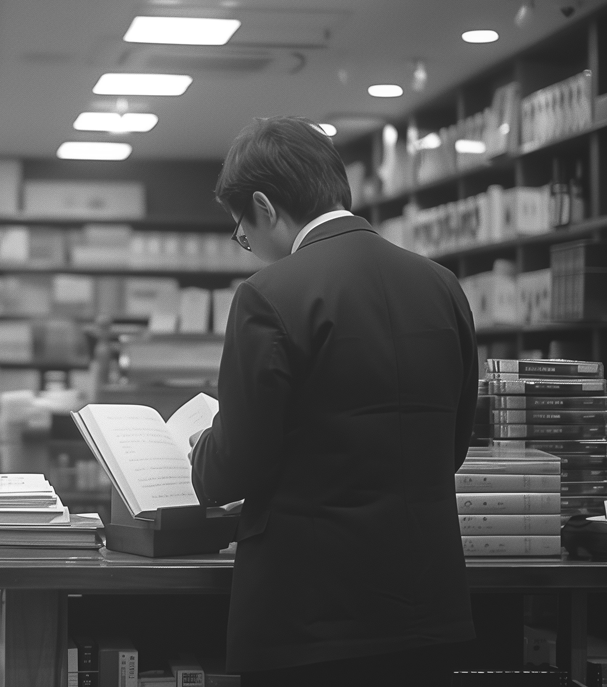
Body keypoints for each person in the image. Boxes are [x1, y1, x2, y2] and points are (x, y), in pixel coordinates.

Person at [189, 117, 478, 686]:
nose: (249, 249)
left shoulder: (269, 295)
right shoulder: (442, 284)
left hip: (309, 611)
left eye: (243, 234)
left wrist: (204, 449)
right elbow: (453, 446)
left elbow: (235, 468)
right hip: (426, 601)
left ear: (264, 206)